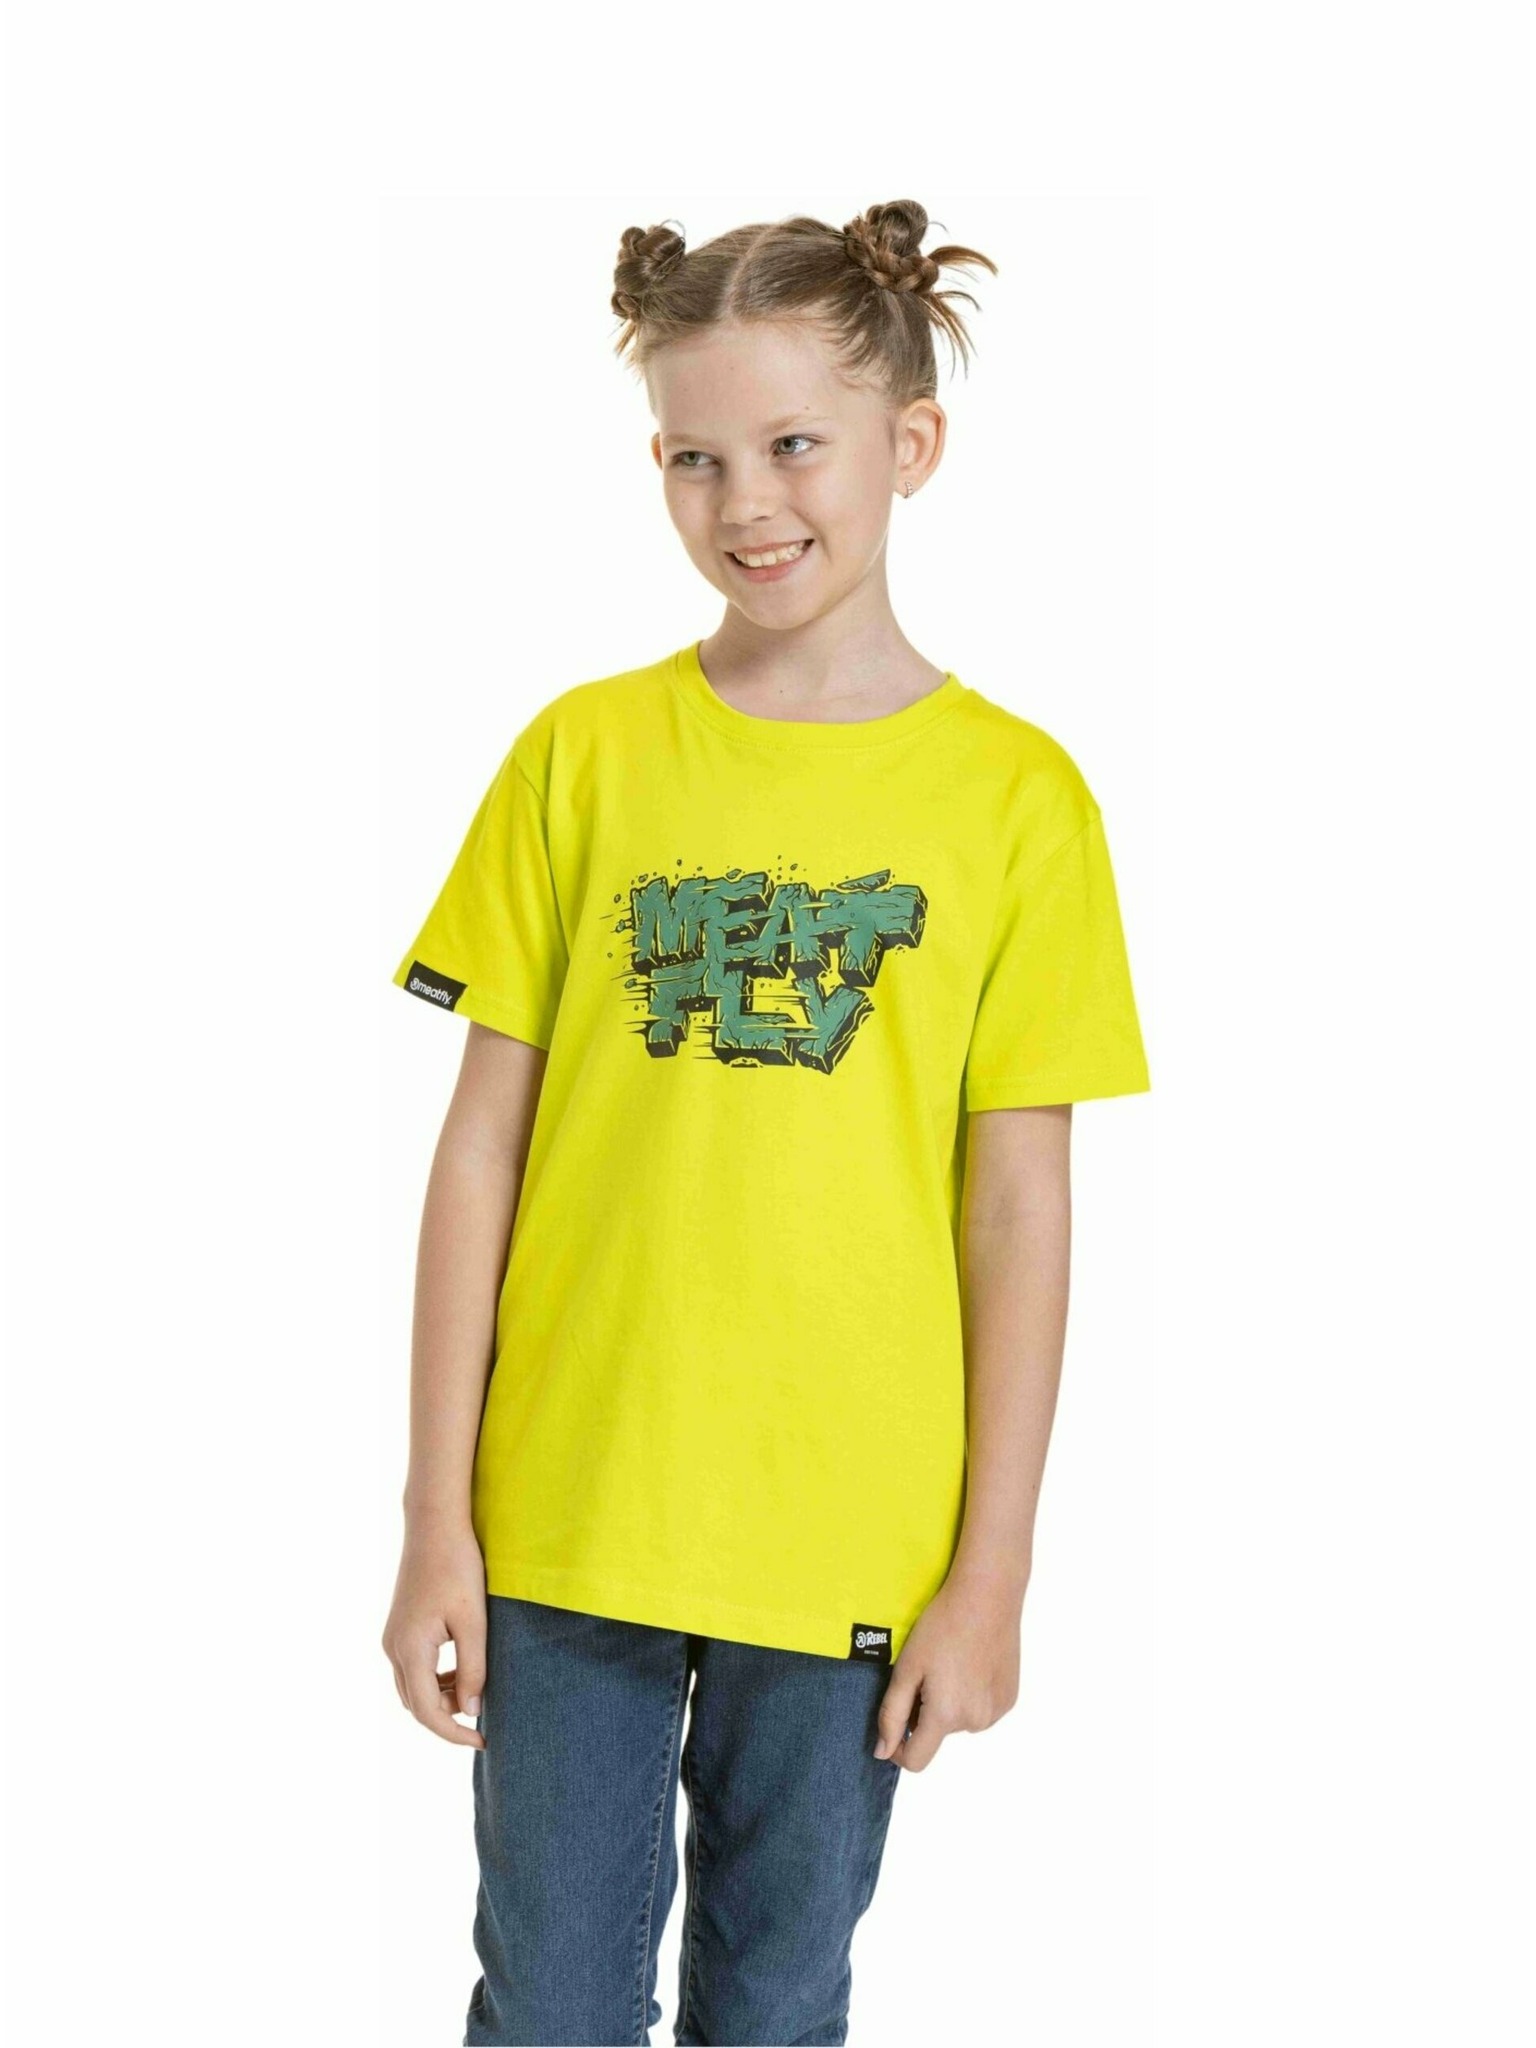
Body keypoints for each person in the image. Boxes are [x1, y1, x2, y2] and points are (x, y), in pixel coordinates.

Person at [381, 198, 1151, 2047]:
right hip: (570, 1514)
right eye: (694, 457)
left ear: (912, 442)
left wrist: (995, 1567)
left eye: (795, 444)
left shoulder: (1021, 804)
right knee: (549, 2006)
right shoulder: (582, 756)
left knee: (780, 2004)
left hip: (850, 1536)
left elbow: (1019, 1213)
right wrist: (432, 1517)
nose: (747, 501)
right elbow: (481, 1152)